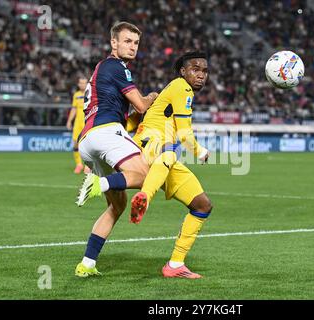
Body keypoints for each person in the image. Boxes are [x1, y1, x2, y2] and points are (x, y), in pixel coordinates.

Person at [80, 51, 212, 278]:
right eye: (195, 69)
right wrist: (200, 151)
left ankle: (175, 265)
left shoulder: (164, 94)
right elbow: (184, 131)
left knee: (202, 205)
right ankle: (142, 196)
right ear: (183, 71)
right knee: (169, 152)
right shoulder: (183, 88)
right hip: (156, 149)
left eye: (204, 71)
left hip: (149, 150)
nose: (200, 75)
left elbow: (131, 120)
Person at [74, 21, 158, 277]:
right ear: (114, 43)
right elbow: (142, 106)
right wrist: (154, 97)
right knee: (145, 175)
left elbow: (128, 115)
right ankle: (98, 185)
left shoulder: (103, 69)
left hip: (88, 142)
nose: (132, 47)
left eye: (136, 43)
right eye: (127, 41)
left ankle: (86, 264)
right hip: (105, 133)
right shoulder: (116, 66)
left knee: (118, 206)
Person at [66, 76, 91, 174]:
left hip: (87, 123)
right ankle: (79, 164)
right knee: (75, 144)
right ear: (78, 84)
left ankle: (88, 165)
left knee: (89, 145)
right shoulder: (76, 95)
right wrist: (69, 121)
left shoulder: (90, 94)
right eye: (81, 83)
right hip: (77, 124)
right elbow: (74, 109)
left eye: (84, 83)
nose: (82, 84)